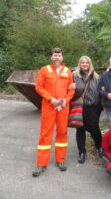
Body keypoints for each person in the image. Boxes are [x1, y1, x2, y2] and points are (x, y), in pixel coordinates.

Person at [32, 48, 75, 177]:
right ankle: (41, 163)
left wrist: (65, 101)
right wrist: (51, 99)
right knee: (45, 133)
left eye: (59, 55)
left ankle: (60, 160)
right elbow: (38, 87)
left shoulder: (68, 71)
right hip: (49, 106)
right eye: (55, 55)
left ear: (62, 58)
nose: (57, 57)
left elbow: (71, 89)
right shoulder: (44, 70)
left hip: (63, 107)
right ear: (52, 57)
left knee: (62, 132)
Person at [69, 56, 103, 164]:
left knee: (94, 128)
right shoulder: (74, 76)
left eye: (86, 62)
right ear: (79, 64)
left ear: (90, 64)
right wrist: (69, 87)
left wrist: (101, 105)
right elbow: (68, 89)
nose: (84, 64)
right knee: (80, 129)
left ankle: (99, 147)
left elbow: (101, 91)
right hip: (80, 107)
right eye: (82, 62)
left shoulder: (97, 77)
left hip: (93, 107)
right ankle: (82, 152)